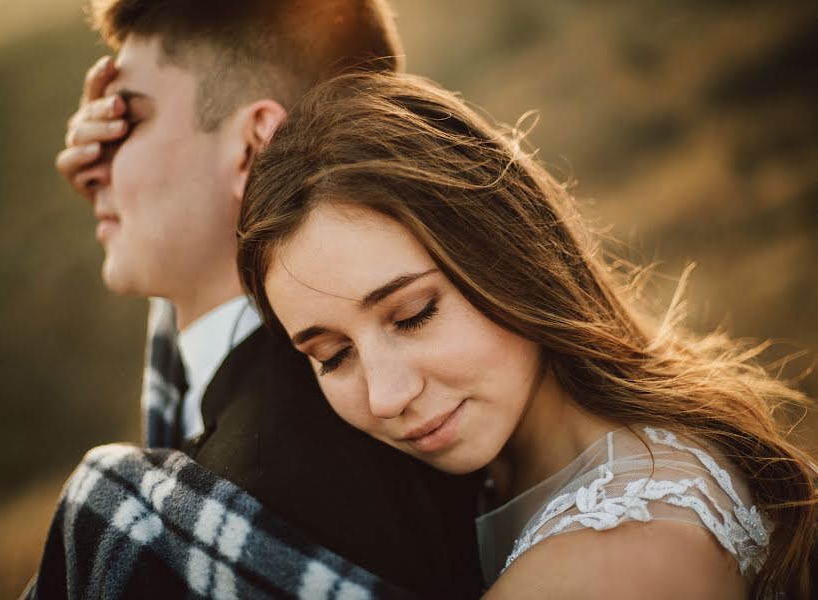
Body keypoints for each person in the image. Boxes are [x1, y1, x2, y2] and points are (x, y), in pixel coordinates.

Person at [237, 70, 818, 598]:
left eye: (413, 314)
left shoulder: (622, 553)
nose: (387, 397)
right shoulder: (491, 484)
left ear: (507, 255)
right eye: (334, 356)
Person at [44, 1, 483, 597]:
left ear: (252, 147)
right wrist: (128, 198)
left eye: (128, 119)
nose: (92, 163)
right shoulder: (260, 400)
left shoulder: (268, 481)